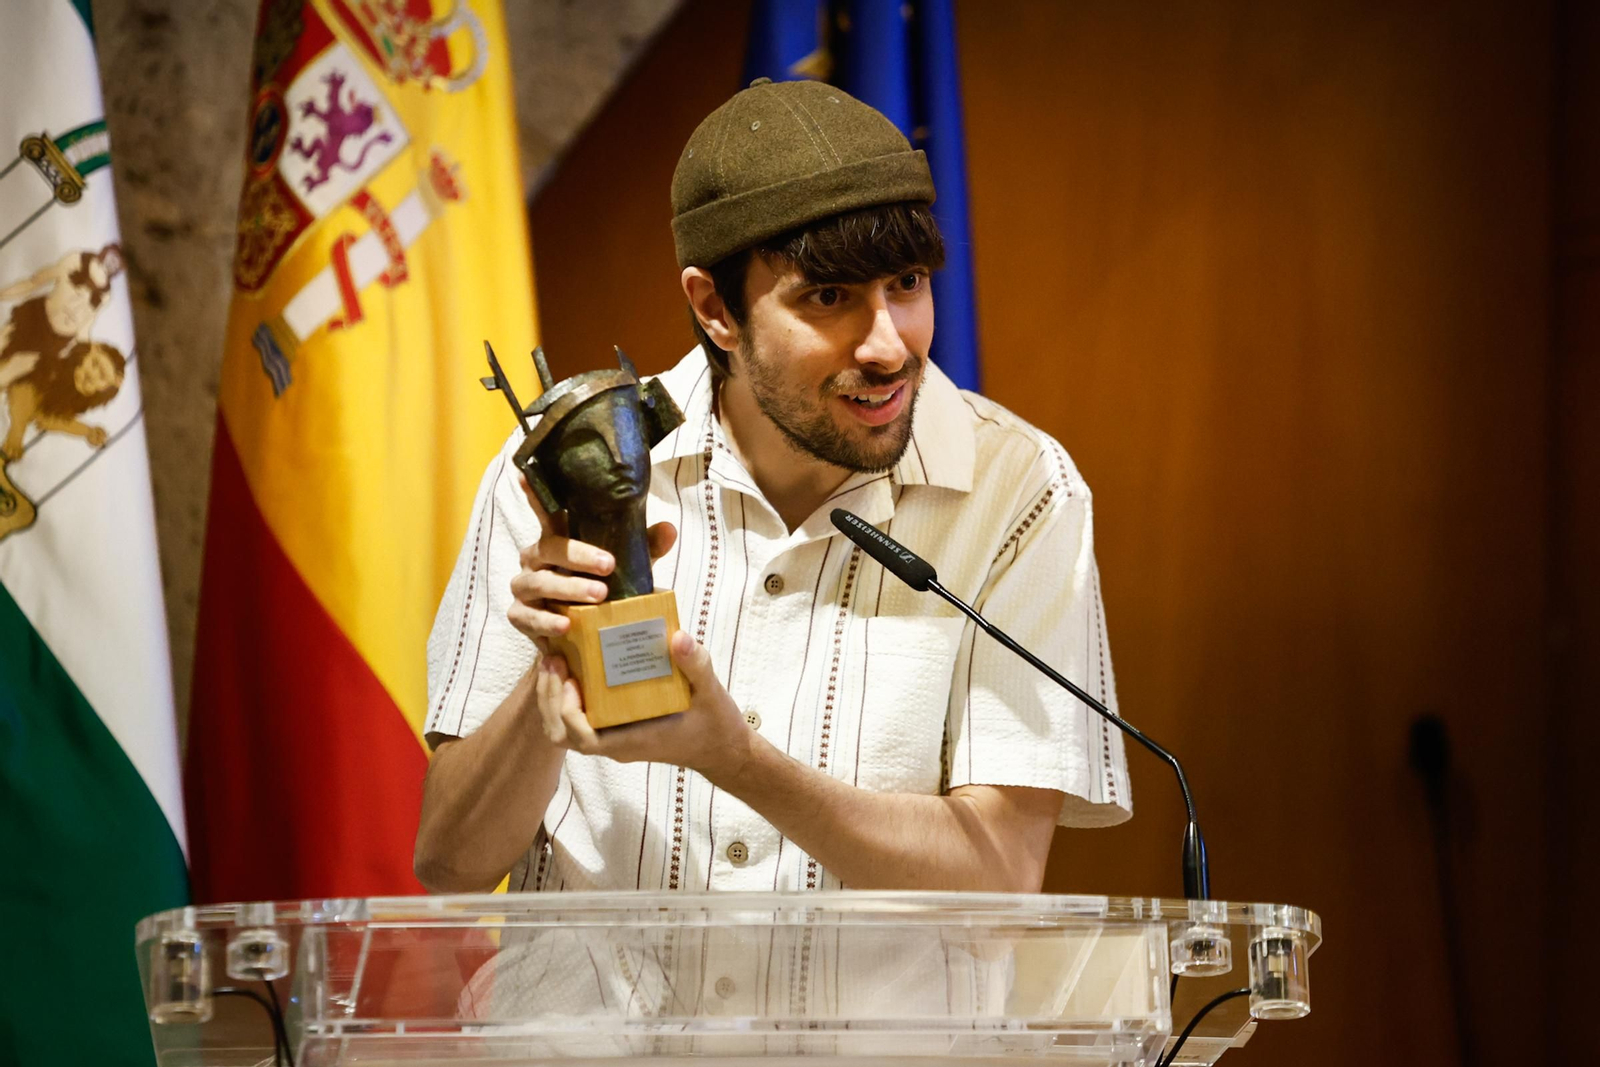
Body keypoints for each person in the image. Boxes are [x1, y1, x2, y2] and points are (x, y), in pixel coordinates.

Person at [415, 78, 1131, 900]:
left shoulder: (1021, 487)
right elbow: (450, 862)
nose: (889, 346)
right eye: (829, 297)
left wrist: (735, 758)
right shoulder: (569, 467)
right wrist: (551, 675)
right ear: (715, 307)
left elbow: (1000, 877)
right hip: (595, 995)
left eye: (907, 282)